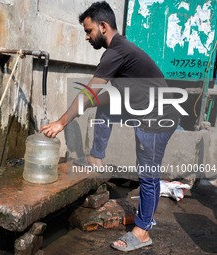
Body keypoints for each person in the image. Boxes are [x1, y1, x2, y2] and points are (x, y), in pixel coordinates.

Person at [40, 1, 180, 252]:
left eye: (89, 30)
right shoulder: (119, 50)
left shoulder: (116, 52)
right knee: (103, 106)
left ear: (103, 27)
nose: (86, 36)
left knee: (147, 173)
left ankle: (142, 230)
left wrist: (62, 122)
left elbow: (90, 90)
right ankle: (96, 158)